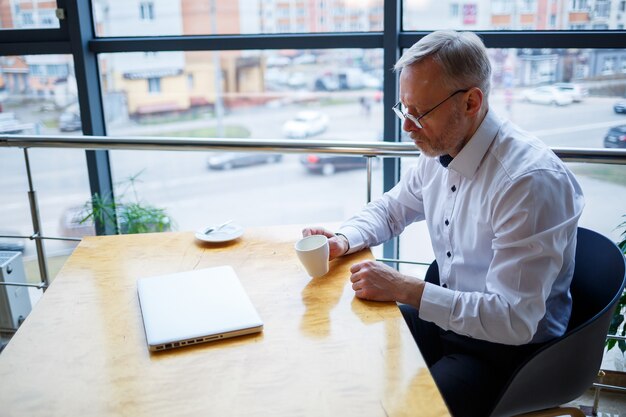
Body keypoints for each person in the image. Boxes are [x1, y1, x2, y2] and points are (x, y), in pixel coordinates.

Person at [303, 30, 584, 417]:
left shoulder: (527, 183)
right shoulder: (441, 147)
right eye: (404, 110)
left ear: (471, 102)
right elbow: (391, 209)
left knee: (410, 411)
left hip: (512, 353)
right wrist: (342, 239)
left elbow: (514, 320)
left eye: (418, 113)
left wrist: (409, 289)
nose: (407, 127)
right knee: (351, 347)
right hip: (451, 321)